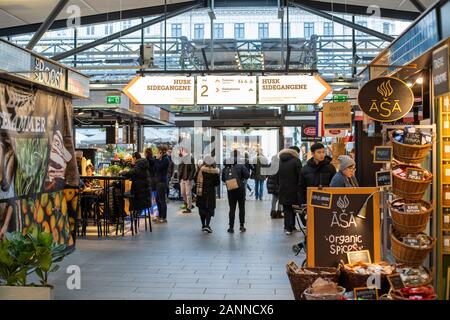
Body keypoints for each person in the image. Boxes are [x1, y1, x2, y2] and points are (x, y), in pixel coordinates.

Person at [222, 150, 250, 233]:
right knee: (241, 207)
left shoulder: (226, 166)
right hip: (240, 189)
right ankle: (241, 226)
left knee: (232, 208)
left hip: (230, 189)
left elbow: (223, 179)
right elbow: (247, 175)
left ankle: (231, 227)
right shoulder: (241, 165)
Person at [277, 146, 302, 235]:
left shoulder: (280, 161)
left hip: (283, 188)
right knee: (294, 208)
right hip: (294, 188)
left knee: (287, 208)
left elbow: (276, 176)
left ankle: (288, 227)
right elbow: (300, 176)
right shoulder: (296, 161)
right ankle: (291, 227)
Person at [120, 152, 150, 217]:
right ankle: (133, 213)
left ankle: (125, 214)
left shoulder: (139, 164)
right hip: (144, 192)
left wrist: (123, 172)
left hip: (139, 193)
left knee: (121, 195)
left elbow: (133, 172)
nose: (131, 161)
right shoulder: (142, 164)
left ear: (134, 158)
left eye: (132, 159)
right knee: (125, 193)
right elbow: (136, 173)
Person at [195, 155, 220, 233]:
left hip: (201, 192)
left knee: (202, 208)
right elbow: (217, 183)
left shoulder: (201, 170)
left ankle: (203, 225)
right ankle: (207, 225)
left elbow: (195, 179)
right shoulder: (215, 171)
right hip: (211, 192)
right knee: (209, 209)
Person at [150, 145, 170, 223]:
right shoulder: (160, 159)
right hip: (158, 181)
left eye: (158, 151)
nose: (157, 152)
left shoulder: (166, 159)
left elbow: (159, 167)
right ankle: (160, 215)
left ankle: (163, 217)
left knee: (162, 200)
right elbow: (155, 168)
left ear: (162, 151)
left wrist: (157, 159)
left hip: (162, 182)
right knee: (158, 200)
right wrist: (157, 159)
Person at [179, 148, 196, 213]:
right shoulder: (182, 158)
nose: (180, 152)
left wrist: (189, 178)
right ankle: (189, 204)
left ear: (184, 151)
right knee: (182, 193)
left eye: (181, 150)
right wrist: (179, 177)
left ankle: (188, 208)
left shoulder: (190, 158)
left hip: (187, 179)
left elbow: (193, 169)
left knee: (188, 193)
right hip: (182, 179)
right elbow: (180, 168)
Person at [266, 155, 282, 219]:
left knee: (274, 199)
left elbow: (266, 175)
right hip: (277, 184)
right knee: (280, 199)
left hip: (271, 185)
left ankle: (273, 212)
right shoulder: (279, 166)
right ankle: (279, 213)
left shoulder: (270, 165)